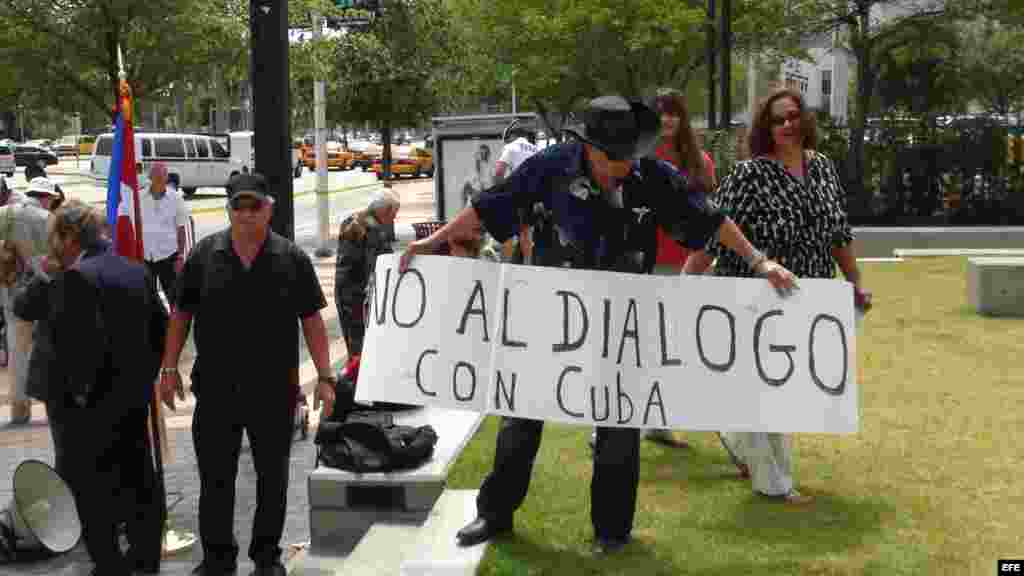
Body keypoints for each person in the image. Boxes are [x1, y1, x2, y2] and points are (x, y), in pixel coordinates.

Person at [400, 95, 799, 553]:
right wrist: (433, 240)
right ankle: (495, 514)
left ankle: (612, 533)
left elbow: (710, 218)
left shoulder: (650, 174)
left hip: (619, 321)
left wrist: (760, 262)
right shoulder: (550, 166)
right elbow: (492, 205)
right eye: (614, 157)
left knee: (618, 429)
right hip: (551, 313)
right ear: (587, 147)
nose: (623, 166)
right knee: (520, 418)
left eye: (630, 155)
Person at [684, 88, 871, 505]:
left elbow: (838, 232)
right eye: (777, 120)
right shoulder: (750, 174)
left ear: (805, 120)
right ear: (765, 129)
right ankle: (773, 482)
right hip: (757, 293)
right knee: (770, 391)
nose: (787, 125)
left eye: (793, 116)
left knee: (789, 389)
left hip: (811, 294)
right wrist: (685, 281)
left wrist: (855, 280)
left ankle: (737, 436)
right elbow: (715, 229)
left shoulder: (822, 168)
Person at [158, 173, 336, 576]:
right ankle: (218, 559)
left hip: (274, 391)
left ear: (269, 208)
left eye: (255, 206)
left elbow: (312, 321)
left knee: (272, 481)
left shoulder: (292, 258)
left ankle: (266, 558)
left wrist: (325, 376)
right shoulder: (204, 256)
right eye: (239, 206)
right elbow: (180, 314)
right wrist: (169, 368)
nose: (247, 214)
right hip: (216, 390)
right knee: (215, 481)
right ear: (229, 210)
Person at [42, 199, 168, 575]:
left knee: (94, 494)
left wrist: (80, 394)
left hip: (92, 408)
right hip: (134, 398)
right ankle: (146, 561)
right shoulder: (136, 271)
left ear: (68, 237)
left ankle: (110, 565)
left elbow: (78, 346)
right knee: (139, 482)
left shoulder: (77, 277)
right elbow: (159, 328)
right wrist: (143, 376)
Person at [638, 90, 720, 448]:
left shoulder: (700, 161)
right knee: (638, 347)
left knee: (675, 351)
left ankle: (659, 423)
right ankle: (608, 428)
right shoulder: (636, 158)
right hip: (644, 265)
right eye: (661, 113)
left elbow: (711, 214)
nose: (668, 119)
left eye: (674, 113)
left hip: (688, 265)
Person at [0, 176, 61, 424]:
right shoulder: (48, 220)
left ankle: (19, 408)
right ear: (45, 197)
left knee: (17, 349)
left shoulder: (4, 213)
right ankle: (53, 403)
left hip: (11, 291)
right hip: (44, 292)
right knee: (50, 345)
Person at [334, 188, 400, 358]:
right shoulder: (369, 228)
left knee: (357, 348)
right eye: (394, 213)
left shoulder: (358, 221)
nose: (394, 218)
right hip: (356, 298)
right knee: (360, 351)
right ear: (385, 210)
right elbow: (374, 263)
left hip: (349, 295)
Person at [140, 162, 189, 302]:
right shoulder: (138, 197)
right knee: (147, 299)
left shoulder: (176, 198)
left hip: (168, 256)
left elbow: (181, 228)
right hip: (145, 257)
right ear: (150, 177)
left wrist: (180, 256)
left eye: (162, 176)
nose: (159, 179)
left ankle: (175, 323)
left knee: (173, 297)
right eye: (156, 175)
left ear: (167, 177)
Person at [494, 120, 542, 262]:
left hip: (518, 195)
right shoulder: (535, 149)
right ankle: (527, 264)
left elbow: (498, 173)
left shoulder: (511, 147)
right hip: (535, 198)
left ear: (511, 135)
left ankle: (510, 268)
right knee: (526, 234)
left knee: (508, 231)